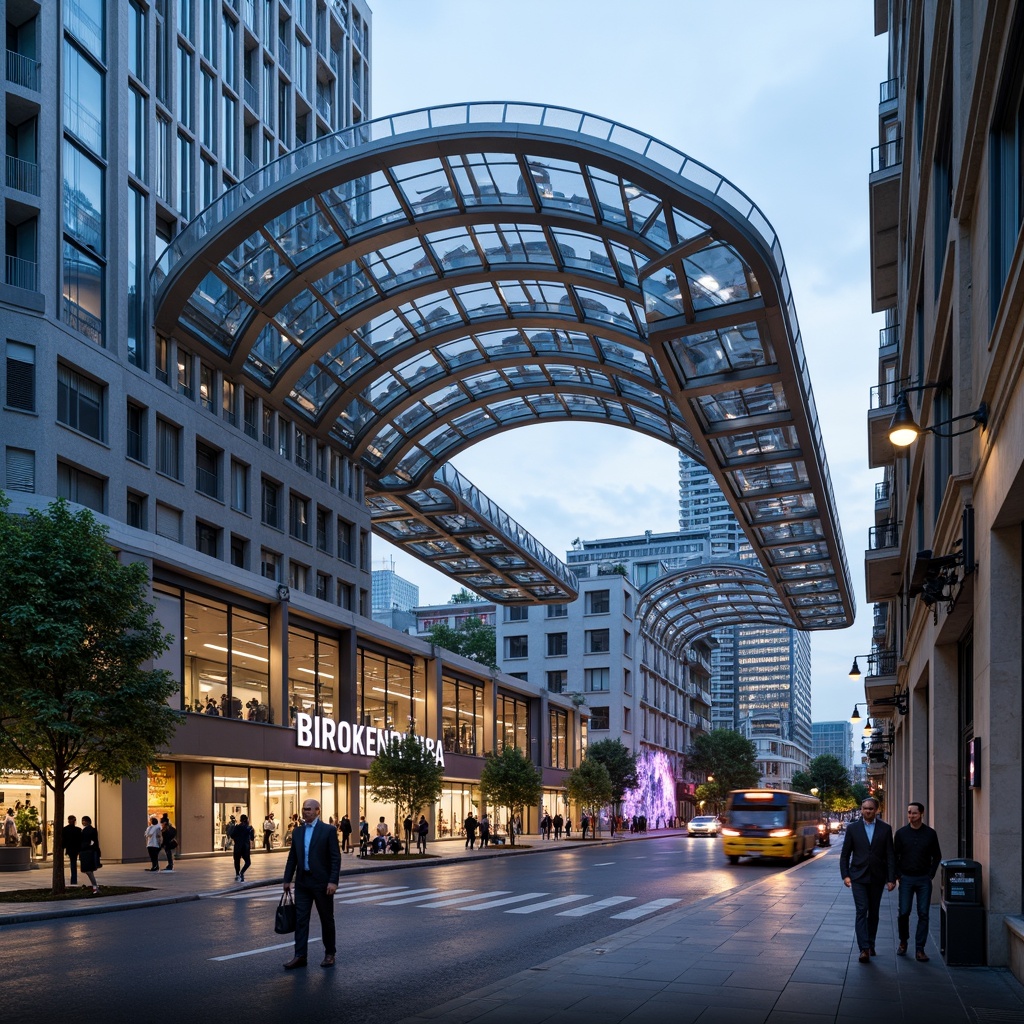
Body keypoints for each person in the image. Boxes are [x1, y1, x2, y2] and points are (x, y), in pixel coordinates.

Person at [282, 798, 340, 969]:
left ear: (317, 811)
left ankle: (330, 953)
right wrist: (287, 879)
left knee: (326, 919)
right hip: (302, 882)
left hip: (322, 884)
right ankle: (300, 956)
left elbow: (335, 858)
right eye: (303, 809)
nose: (305, 812)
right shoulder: (298, 832)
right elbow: (292, 857)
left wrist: (333, 881)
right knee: (300, 920)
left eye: (308, 809)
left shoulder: (328, 830)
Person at [840, 797, 896, 963]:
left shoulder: (885, 829)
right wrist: (846, 875)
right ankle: (863, 948)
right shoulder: (853, 829)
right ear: (861, 809)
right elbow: (845, 855)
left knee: (874, 912)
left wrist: (891, 878)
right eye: (865, 808)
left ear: (876, 810)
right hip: (858, 876)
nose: (867, 811)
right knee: (861, 910)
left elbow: (890, 855)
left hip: (877, 877)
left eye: (870, 809)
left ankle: (871, 943)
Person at [894, 801, 943, 962]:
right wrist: (898, 875)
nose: (910, 816)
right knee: (903, 912)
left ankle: (920, 949)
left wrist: (930, 874)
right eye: (909, 812)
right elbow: (894, 856)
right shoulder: (901, 834)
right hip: (906, 878)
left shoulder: (930, 833)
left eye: (914, 813)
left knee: (923, 914)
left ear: (922, 813)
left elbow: (937, 856)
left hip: (923, 879)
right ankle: (903, 941)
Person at [79, 815, 101, 894]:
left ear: (88, 821)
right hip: (89, 851)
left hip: (88, 852)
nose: (83, 822)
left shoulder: (88, 831)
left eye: (84, 820)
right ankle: (95, 887)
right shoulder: (87, 830)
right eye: (82, 820)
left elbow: (93, 841)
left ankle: (95, 887)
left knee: (89, 870)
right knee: (89, 871)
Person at [230, 813, 255, 881]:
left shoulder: (237, 827)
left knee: (237, 861)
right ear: (246, 820)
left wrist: (237, 839)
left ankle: (237, 874)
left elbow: (232, 835)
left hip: (237, 846)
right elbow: (252, 838)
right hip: (245, 847)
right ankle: (242, 872)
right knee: (248, 862)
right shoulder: (250, 828)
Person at [62, 815, 83, 884]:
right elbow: (80, 841)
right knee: (73, 863)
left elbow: (63, 840)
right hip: (76, 849)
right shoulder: (78, 830)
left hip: (70, 849)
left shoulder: (65, 829)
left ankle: (73, 879)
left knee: (73, 863)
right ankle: (74, 879)